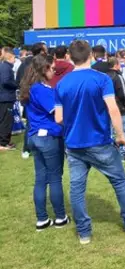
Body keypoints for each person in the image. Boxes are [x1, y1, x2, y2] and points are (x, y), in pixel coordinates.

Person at [54, 40, 125, 244]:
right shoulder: (101, 79)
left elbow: (58, 118)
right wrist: (120, 135)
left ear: (70, 57)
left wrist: (75, 121)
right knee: (119, 181)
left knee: (77, 188)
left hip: (73, 144)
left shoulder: (62, 83)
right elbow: (113, 109)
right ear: (91, 55)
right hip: (99, 141)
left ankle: (84, 233)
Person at [20, 54, 69, 231]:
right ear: (44, 69)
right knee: (54, 178)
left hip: (35, 137)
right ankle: (60, 216)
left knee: (41, 179)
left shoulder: (32, 87)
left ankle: (42, 218)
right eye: (52, 68)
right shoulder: (41, 89)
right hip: (48, 137)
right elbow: (58, 115)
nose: (54, 71)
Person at [106, 57, 125, 160]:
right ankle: (123, 153)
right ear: (116, 65)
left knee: (111, 131)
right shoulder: (118, 76)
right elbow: (123, 93)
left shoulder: (105, 76)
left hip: (107, 108)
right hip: (120, 108)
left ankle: (111, 154)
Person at [0, 47, 18, 151]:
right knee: (6, 120)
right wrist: (15, 85)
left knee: (4, 119)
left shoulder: (4, 67)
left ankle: (4, 141)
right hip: (6, 97)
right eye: (14, 58)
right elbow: (5, 81)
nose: (15, 60)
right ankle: (3, 143)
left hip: (4, 97)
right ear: (11, 57)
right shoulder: (6, 67)